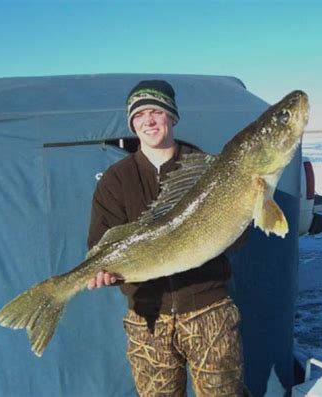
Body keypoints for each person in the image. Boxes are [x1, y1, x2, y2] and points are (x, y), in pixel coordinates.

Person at [87, 80, 247, 397]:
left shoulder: (207, 168)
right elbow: (99, 244)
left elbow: (238, 241)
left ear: (172, 117)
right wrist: (103, 271)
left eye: (157, 111)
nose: (148, 120)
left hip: (208, 309)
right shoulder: (115, 180)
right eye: (140, 114)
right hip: (147, 316)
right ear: (132, 122)